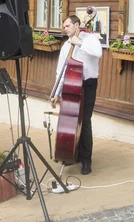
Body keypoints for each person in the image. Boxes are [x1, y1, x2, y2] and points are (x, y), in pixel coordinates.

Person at [50, 15, 102, 175]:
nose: (64, 29)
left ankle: (86, 160)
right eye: (64, 26)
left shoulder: (90, 39)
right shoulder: (66, 45)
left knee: (85, 121)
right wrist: (55, 92)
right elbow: (61, 70)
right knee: (71, 120)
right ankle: (73, 153)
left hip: (87, 84)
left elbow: (98, 53)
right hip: (70, 85)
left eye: (67, 26)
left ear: (77, 25)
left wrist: (79, 43)